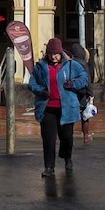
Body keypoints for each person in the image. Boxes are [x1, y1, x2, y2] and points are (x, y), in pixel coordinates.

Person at [28, 37, 89, 176]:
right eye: (51, 54)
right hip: (47, 107)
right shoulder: (40, 67)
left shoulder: (71, 65)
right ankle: (49, 167)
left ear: (61, 53)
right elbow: (32, 83)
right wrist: (41, 91)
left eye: (56, 53)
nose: (53, 56)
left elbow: (84, 78)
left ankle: (67, 157)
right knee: (48, 139)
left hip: (66, 107)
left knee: (66, 137)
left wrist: (73, 84)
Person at [69, 43, 94, 143]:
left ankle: (69, 136)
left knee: (71, 115)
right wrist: (90, 93)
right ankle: (86, 136)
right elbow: (87, 79)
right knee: (85, 115)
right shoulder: (83, 63)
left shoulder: (69, 63)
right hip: (82, 93)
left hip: (71, 91)